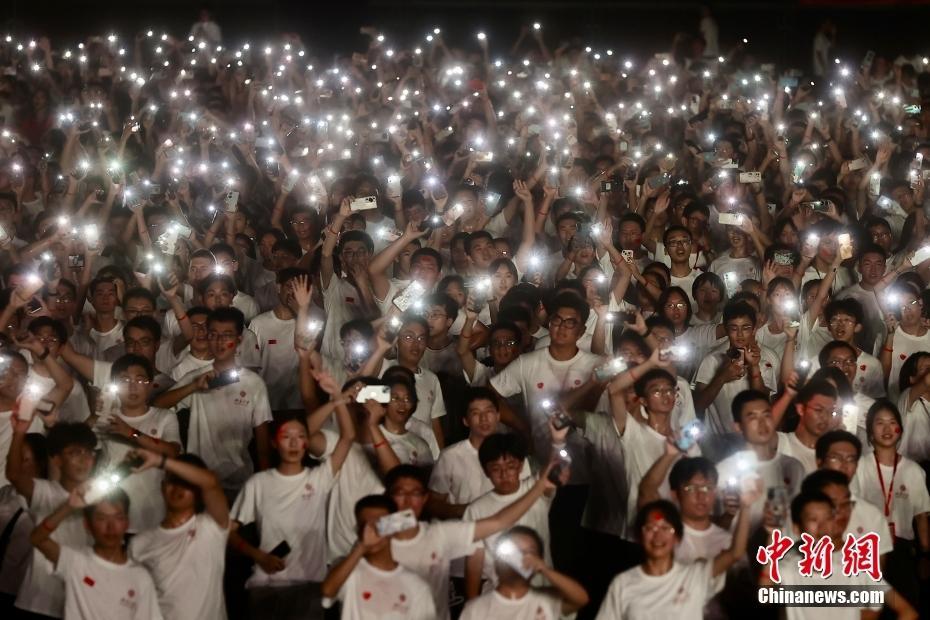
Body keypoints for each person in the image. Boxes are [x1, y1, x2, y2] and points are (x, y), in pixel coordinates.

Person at [385, 460, 563, 619]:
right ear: (388, 496)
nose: (408, 500)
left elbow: (499, 521)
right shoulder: (373, 533)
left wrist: (539, 487)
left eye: (415, 493)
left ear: (425, 499)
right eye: (399, 493)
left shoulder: (440, 534)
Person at [229, 394, 355, 618]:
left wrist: (336, 401)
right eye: (287, 436)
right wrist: (258, 555)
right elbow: (229, 532)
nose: (294, 443)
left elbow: (347, 437)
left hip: (309, 584)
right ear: (274, 443)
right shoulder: (259, 483)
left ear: (307, 442)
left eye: (301, 436)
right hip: (266, 585)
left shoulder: (319, 478)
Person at [152, 307, 272, 496]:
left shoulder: (254, 383)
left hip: (239, 481)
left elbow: (262, 445)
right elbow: (158, 406)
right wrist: (192, 388)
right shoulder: (196, 377)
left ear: (239, 340)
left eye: (227, 335)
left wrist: (265, 488)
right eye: (214, 334)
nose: (220, 341)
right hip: (200, 479)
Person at [761, 490, 918, 620]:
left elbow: (907, 612)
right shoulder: (789, 567)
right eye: (813, 519)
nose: (823, 526)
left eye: (828, 518)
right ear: (797, 528)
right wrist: (772, 535)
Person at [596, 493, 757, 620]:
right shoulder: (622, 583)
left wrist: (746, 506)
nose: (658, 536)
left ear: (678, 537)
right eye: (650, 528)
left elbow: (736, 552)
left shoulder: (695, 576)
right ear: (639, 536)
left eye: (666, 528)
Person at [29, 487, 162, 620]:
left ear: (126, 523)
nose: (111, 527)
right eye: (101, 518)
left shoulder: (140, 577)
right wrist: (68, 507)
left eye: (118, 518)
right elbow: (37, 539)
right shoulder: (75, 561)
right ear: (87, 524)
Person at [128, 450, 230, 620]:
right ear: (162, 486)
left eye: (186, 483)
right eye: (172, 481)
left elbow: (211, 481)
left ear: (198, 492)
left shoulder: (211, 525)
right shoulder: (140, 543)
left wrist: (160, 460)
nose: (177, 488)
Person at [7, 422, 96, 618]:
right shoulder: (45, 492)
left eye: (88, 453)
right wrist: (19, 431)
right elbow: (13, 475)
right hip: (37, 599)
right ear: (56, 460)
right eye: (74, 453)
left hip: (78, 600)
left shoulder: (101, 498)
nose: (83, 459)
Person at [321, 495, 436, 619]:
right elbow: (328, 591)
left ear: (393, 527)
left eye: (379, 525)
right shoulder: (349, 570)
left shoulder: (416, 585)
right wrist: (361, 547)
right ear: (358, 530)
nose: (371, 532)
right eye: (365, 526)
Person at [459, 526, 589, 619]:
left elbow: (580, 599)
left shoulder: (546, 599)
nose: (520, 558)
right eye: (512, 552)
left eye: (529, 553)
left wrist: (545, 570)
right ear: (497, 561)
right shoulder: (476, 609)